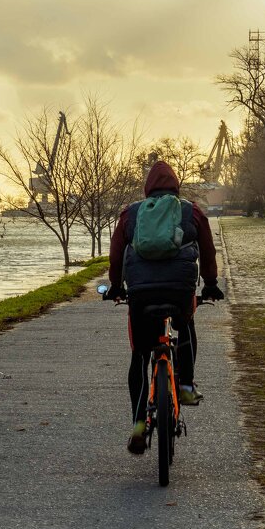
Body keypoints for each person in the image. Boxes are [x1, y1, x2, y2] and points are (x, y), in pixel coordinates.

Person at [105, 160, 224, 454]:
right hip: (180, 289)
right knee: (186, 324)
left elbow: (116, 255)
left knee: (140, 356)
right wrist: (209, 283)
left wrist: (116, 287)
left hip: (141, 293)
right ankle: (185, 388)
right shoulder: (191, 211)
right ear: (176, 185)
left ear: (147, 187)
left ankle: (138, 427)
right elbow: (208, 252)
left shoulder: (130, 214)